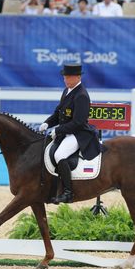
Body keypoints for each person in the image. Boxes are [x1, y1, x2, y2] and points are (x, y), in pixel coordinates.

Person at [38, 64, 100, 204]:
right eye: (65, 76)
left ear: (78, 77)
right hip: (67, 131)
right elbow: (58, 113)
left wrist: (58, 130)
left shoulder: (81, 95)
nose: (66, 79)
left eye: (69, 77)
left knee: (59, 155)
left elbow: (78, 122)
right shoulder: (67, 90)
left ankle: (68, 192)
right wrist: (47, 123)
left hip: (78, 134)